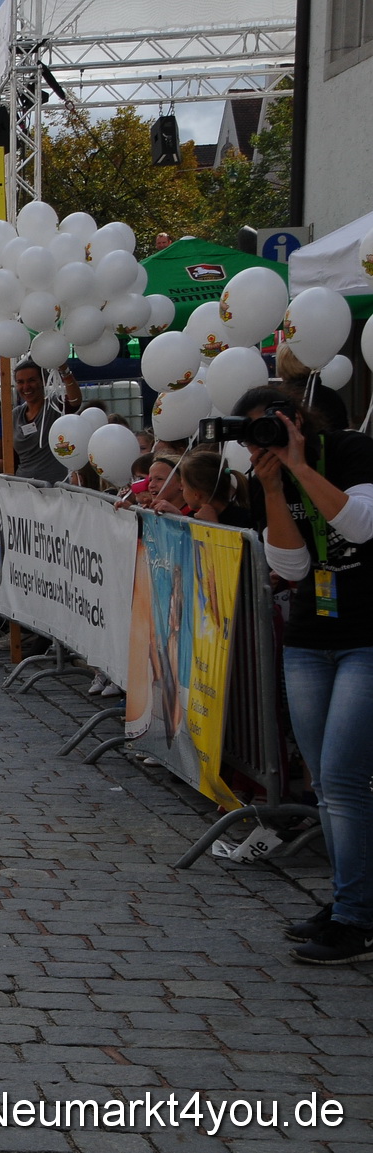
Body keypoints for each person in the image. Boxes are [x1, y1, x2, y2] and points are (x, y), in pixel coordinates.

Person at [235, 389, 373, 965]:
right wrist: (271, 485)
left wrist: (297, 464)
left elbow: (361, 525)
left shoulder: (349, 451)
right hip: (311, 638)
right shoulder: (264, 477)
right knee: (324, 783)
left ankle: (357, 920)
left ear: (293, 419)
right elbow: (289, 567)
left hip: (367, 635)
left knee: (343, 777)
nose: (257, 442)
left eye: (266, 428)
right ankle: (349, 902)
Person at [9, 362, 81, 482]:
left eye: (31, 380)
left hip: (54, 489)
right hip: (23, 488)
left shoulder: (55, 406)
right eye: (20, 382)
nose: (26, 386)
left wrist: (65, 371)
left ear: (42, 381)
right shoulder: (15, 415)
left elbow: (75, 401)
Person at [177, 452, 254, 528]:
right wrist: (176, 517)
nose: (181, 488)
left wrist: (213, 525)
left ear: (196, 495)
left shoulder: (244, 520)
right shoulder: (194, 515)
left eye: (183, 486)